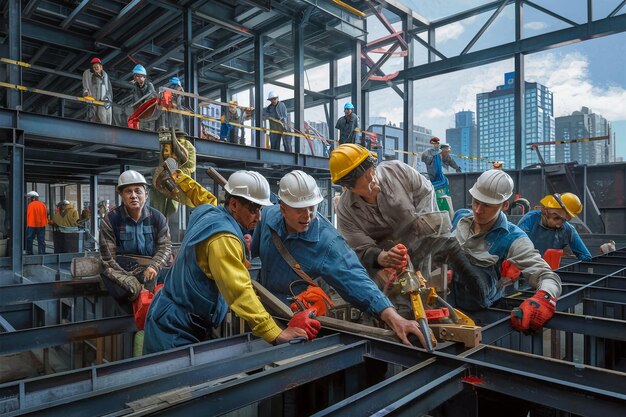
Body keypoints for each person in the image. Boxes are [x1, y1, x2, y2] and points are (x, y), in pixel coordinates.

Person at [143, 170, 314, 353]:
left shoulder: (209, 211)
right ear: (233, 204)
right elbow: (239, 291)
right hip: (175, 328)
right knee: (176, 380)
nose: (259, 217)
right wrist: (275, 333)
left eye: (260, 209)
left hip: (176, 317)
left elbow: (200, 195)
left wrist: (181, 178)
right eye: (253, 210)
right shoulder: (223, 238)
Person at [251, 170, 428, 347]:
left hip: (297, 322)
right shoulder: (267, 217)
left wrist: (393, 317)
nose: (307, 215)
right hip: (263, 311)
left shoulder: (327, 242)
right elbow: (254, 250)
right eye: (299, 209)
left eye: (312, 207)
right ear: (282, 208)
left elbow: (355, 278)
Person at [329, 144, 478, 319]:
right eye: (367, 182)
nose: (374, 180)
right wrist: (382, 258)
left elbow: (426, 193)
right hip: (386, 259)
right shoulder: (347, 211)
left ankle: (477, 296)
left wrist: (423, 234)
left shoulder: (398, 171)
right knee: (396, 298)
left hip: (421, 237)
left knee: (450, 247)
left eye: (372, 171)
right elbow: (359, 249)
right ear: (349, 188)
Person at [449, 169, 561, 333]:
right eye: (476, 202)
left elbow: (547, 275)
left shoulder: (514, 238)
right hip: (446, 303)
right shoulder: (460, 217)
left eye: (487, 205)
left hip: (479, 313)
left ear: (505, 205)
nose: (478, 210)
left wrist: (544, 299)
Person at [99, 170, 172, 309]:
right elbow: (108, 258)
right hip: (122, 269)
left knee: (168, 286)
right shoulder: (111, 220)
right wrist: (127, 279)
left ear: (146, 194)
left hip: (151, 267)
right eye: (128, 191)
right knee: (121, 288)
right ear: (121, 195)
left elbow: (165, 247)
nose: (134, 196)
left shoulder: (158, 218)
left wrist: (154, 266)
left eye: (138, 191)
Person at [518, 193, 592, 262]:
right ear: (546, 212)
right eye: (556, 218)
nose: (558, 225)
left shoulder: (568, 229)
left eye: (563, 221)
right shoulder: (530, 219)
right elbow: (517, 245)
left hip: (551, 271)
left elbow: (586, 256)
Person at [151, 128, 196, 218]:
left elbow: (190, 165)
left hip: (176, 178)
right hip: (168, 177)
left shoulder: (187, 145)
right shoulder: (168, 146)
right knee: (162, 205)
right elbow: (162, 162)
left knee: (170, 205)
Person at [421, 138, 456, 212]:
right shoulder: (430, 154)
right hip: (433, 179)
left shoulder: (443, 179)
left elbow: (450, 161)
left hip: (438, 182)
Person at [82, 57, 113, 125]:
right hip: (93, 100)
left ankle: (106, 130)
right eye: (94, 67)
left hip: (103, 101)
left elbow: (108, 90)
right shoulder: (87, 74)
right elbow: (86, 86)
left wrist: (108, 100)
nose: (96, 68)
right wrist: (86, 93)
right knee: (92, 117)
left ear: (101, 67)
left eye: (97, 66)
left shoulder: (105, 76)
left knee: (102, 114)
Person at [130, 64, 157, 131]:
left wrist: (144, 104)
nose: (136, 78)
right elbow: (134, 99)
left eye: (138, 76)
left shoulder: (149, 85)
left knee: (147, 129)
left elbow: (151, 97)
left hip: (148, 113)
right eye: (135, 76)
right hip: (139, 113)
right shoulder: (135, 86)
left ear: (144, 77)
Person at [25, 191, 48, 255]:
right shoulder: (43, 205)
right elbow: (46, 214)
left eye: (29, 198)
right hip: (41, 225)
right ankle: (42, 253)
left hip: (31, 224)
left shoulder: (30, 205)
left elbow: (27, 215)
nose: (28, 200)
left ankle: (29, 253)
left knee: (29, 239)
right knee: (41, 240)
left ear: (33, 198)